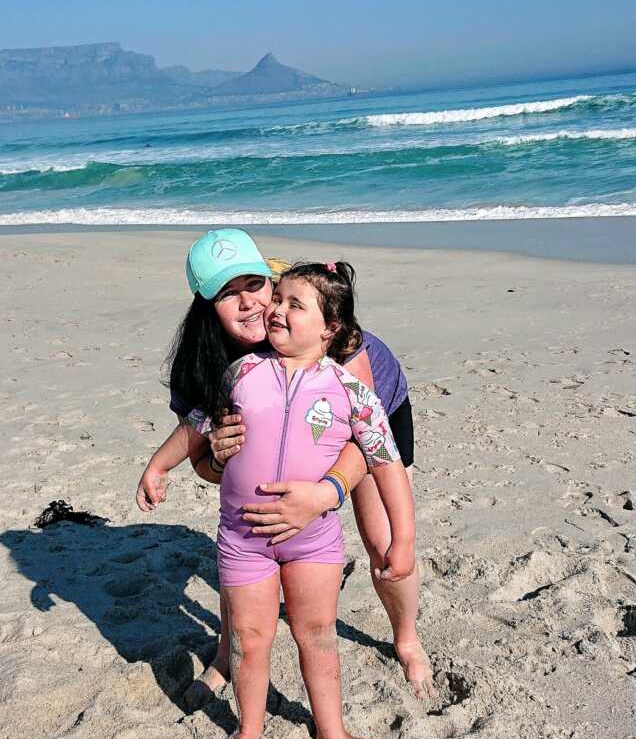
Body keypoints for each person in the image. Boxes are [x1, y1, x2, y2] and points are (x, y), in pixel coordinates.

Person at [136, 228, 434, 701]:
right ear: (204, 305)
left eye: (253, 285)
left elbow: (364, 438)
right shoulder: (205, 366)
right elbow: (202, 461)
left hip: (368, 420)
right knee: (248, 536)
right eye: (226, 295)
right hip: (288, 449)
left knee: (381, 542)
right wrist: (217, 454)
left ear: (270, 283)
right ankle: (225, 653)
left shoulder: (317, 327)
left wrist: (326, 493)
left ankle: (407, 638)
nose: (249, 304)